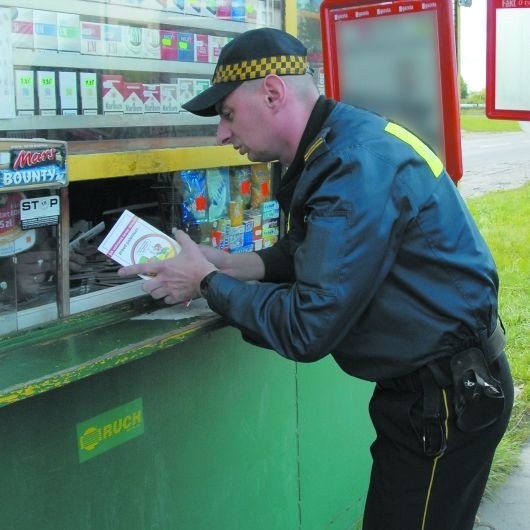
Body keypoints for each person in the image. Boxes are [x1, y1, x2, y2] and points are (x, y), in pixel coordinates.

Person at [118, 28, 514, 530]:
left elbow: (307, 326)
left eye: (227, 113)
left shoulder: (351, 166)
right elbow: (312, 252)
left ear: (272, 93)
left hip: (444, 399)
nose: (221, 133)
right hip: (438, 389)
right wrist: (228, 263)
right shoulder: (341, 141)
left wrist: (205, 284)